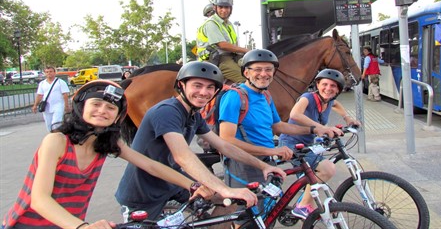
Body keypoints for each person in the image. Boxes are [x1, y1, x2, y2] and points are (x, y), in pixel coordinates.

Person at [2, 80, 214, 229]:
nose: (103, 110)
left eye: (111, 108)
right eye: (96, 104)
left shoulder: (106, 143)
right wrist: (82, 226)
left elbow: (151, 165)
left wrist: (192, 185)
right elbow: (39, 200)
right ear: (80, 107)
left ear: (118, 116)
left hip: (69, 223)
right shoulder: (56, 141)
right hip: (29, 223)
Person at [115, 61, 285, 221]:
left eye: (210, 87)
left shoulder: (193, 115)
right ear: (181, 85)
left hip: (172, 184)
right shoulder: (167, 111)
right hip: (143, 194)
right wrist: (224, 189)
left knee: (230, 204)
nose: (204, 92)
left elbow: (224, 146)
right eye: (197, 85)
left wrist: (263, 165)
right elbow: (183, 156)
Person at [218, 49, 341, 227]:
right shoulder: (235, 96)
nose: (264, 74)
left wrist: (314, 129)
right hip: (243, 164)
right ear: (246, 72)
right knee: (246, 218)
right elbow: (227, 139)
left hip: (267, 161)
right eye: (257, 69)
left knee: (266, 213)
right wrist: (272, 150)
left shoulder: (266, 96)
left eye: (268, 70)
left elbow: (278, 126)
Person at [279, 69, 361, 219]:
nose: (328, 88)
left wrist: (347, 118)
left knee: (317, 175)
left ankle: (305, 201)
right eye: (324, 84)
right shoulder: (308, 98)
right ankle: (302, 207)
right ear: (317, 84)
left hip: (308, 144)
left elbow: (336, 104)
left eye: (333, 86)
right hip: (291, 143)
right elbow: (295, 115)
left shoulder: (329, 101)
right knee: (325, 170)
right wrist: (322, 128)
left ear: (338, 90)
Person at [196, 0, 249, 83]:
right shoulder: (211, 24)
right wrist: (246, 50)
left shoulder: (229, 25)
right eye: (221, 7)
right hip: (215, 59)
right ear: (215, 7)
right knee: (245, 78)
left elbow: (234, 45)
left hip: (230, 56)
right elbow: (222, 45)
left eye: (226, 7)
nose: (224, 10)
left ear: (231, 8)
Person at [32, 66, 70, 131]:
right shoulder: (42, 83)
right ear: (45, 73)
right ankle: (52, 136)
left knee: (56, 122)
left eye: (50, 71)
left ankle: (57, 136)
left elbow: (65, 94)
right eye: (47, 72)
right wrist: (35, 105)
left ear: (54, 73)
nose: (49, 73)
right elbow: (40, 95)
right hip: (47, 107)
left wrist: (66, 106)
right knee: (48, 124)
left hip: (58, 105)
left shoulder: (60, 82)